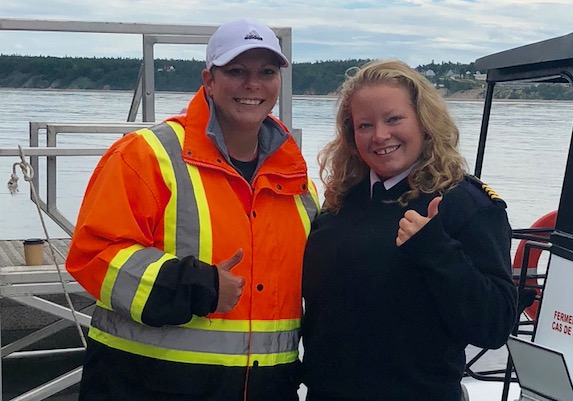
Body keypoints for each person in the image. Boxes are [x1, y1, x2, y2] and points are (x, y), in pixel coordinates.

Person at [66, 18, 319, 401]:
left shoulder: (297, 181)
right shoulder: (145, 155)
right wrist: (195, 286)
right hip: (145, 385)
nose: (253, 84)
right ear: (209, 81)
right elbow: (94, 257)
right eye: (236, 71)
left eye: (266, 72)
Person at [301, 59, 517, 401]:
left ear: (424, 121)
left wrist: (437, 251)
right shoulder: (340, 202)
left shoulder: (465, 204)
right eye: (365, 125)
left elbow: (495, 324)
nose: (380, 136)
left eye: (393, 119)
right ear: (350, 134)